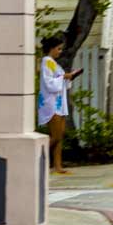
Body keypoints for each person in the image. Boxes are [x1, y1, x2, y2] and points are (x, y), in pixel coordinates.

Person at [38, 35, 82, 174]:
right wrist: (65, 76)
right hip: (50, 102)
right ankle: (35, 157)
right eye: (58, 48)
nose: (60, 51)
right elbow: (49, 82)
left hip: (58, 102)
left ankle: (58, 166)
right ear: (51, 49)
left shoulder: (53, 63)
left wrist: (68, 76)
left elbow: (60, 79)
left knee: (60, 136)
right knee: (56, 136)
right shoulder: (47, 62)